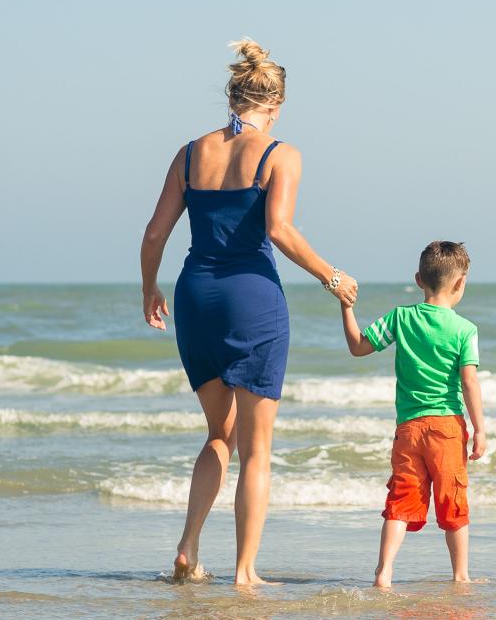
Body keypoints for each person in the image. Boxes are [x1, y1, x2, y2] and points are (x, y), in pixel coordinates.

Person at [139, 38, 358, 585]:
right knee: (257, 450)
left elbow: (154, 233)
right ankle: (244, 572)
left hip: (195, 296)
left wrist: (150, 289)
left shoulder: (190, 152)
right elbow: (280, 230)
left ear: (232, 97)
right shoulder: (281, 153)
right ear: (275, 104)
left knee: (220, 434)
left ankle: (189, 546)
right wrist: (332, 277)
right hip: (251, 299)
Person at [341, 241, 486, 588]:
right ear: (460, 283)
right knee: (452, 499)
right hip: (447, 427)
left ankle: (384, 572)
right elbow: (469, 381)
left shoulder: (400, 317)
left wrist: (346, 308)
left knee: (401, 499)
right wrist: (480, 429)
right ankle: (460, 575)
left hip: (408, 429)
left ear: (419, 279)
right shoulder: (465, 329)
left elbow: (358, 347)